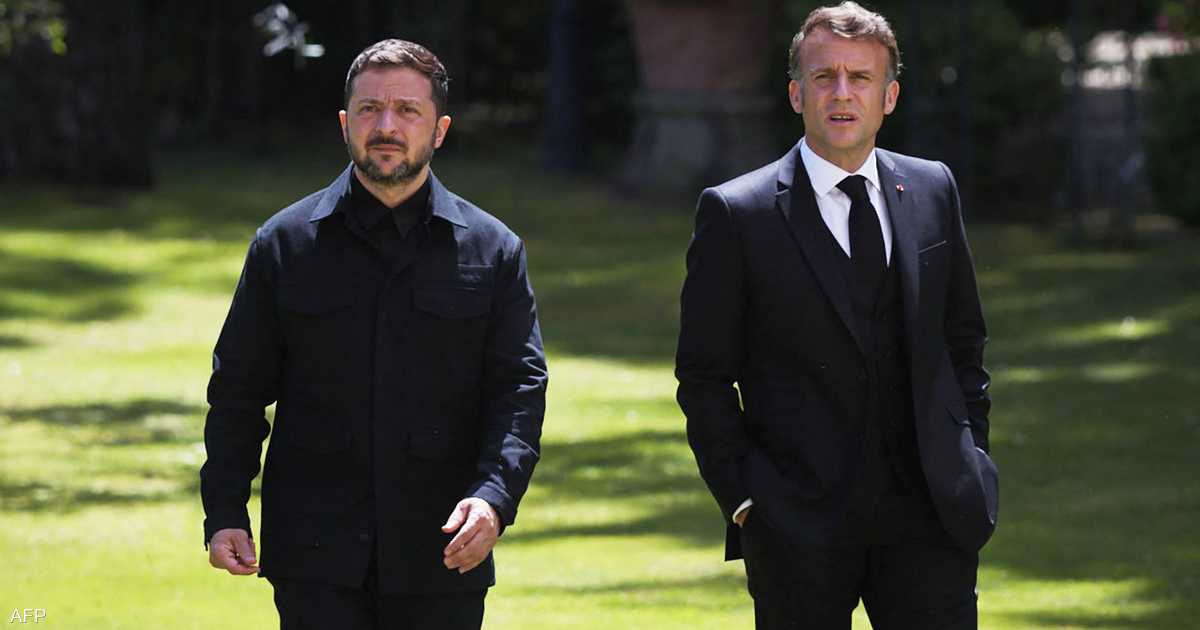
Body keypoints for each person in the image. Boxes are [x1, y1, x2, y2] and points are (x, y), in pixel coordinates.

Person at [199, 39, 547, 630]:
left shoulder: (493, 251)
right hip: (314, 555)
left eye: (407, 110)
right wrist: (225, 509)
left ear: (439, 130)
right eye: (369, 109)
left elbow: (518, 391)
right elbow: (238, 388)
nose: (386, 126)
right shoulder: (284, 245)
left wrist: (494, 498)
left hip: (442, 551)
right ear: (345, 124)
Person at [675, 3, 997, 628]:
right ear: (797, 93)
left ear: (889, 96)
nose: (842, 93)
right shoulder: (738, 213)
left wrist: (972, 458)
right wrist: (745, 502)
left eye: (861, 77)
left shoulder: (933, 189)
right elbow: (703, 376)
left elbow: (963, 342)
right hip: (795, 527)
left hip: (931, 518)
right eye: (824, 76)